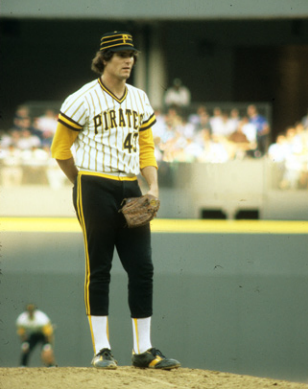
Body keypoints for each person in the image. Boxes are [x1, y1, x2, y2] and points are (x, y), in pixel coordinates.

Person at [51, 31, 180, 370]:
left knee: (142, 268)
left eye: (132, 54)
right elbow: (60, 150)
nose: (128, 60)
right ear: (103, 59)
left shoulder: (139, 98)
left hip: (130, 187)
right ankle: (103, 348)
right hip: (94, 184)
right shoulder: (82, 97)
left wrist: (152, 187)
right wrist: (81, 184)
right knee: (100, 267)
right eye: (121, 54)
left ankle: (144, 349)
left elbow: (147, 148)